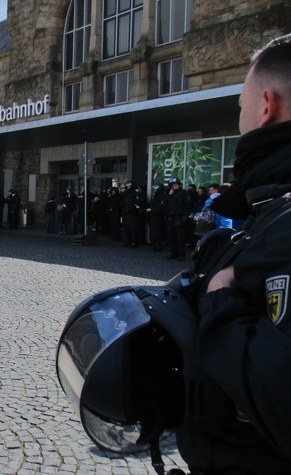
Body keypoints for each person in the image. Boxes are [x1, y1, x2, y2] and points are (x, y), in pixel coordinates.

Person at [173, 33, 291, 473]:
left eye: (239, 105)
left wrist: (220, 300)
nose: (238, 116)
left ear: (265, 106)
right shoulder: (262, 207)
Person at [165, 177, 190, 261]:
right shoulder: (170, 194)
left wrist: (185, 217)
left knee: (180, 238)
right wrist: (169, 195)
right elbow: (165, 204)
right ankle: (173, 253)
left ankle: (181, 254)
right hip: (171, 217)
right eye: (172, 185)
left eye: (175, 185)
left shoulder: (184, 193)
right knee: (171, 237)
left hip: (180, 217)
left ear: (179, 185)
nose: (174, 187)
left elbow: (188, 206)